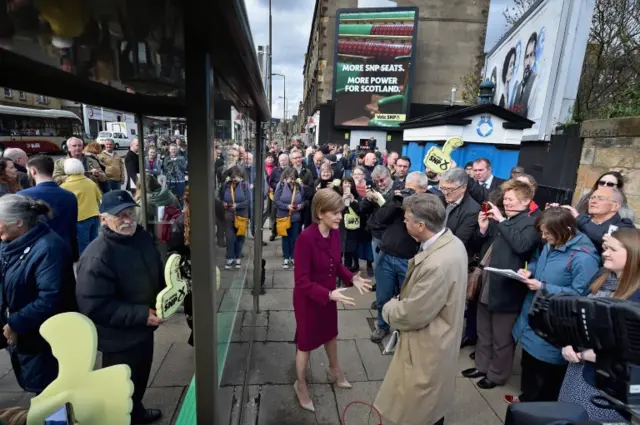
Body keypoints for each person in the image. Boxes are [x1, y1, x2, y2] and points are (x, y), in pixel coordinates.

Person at [374, 194, 468, 425]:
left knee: (419, 406)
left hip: (429, 343)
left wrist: (389, 307)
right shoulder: (452, 242)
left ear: (421, 225)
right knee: (432, 403)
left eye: (407, 219)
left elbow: (411, 314)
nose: (404, 222)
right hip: (441, 337)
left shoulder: (438, 263)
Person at [75, 190, 165, 424]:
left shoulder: (140, 237)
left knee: (140, 376)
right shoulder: (98, 256)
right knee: (121, 386)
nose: (127, 220)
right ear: (103, 219)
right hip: (120, 337)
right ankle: (123, 417)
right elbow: (93, 305)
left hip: (142, 327)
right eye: (119, 216)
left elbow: (155, 268)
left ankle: (136, 412)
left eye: (130, 213)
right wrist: (139, 314)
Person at [507, 208, 600, 404]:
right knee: (529, 366)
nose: (543, 237)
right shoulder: (553, 241)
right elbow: (536, 261)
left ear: (565, 229)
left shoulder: (584, 258)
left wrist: (543, 287)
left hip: (554, 325)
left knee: (545, 375)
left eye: (547, 233)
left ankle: (535, 407)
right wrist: (530, 271)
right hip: (534, 316)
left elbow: (580, 295)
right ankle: (526, 399)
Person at [292, 189, 371, 412]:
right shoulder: (305, 239)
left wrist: (351, 278)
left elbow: (335, 265)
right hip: (309, 300)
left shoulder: (335, 233)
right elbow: (301, 281)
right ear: (320, 213)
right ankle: (301, 384)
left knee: (330, 335)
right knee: (305, 344)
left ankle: (334, 370)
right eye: (335, 213)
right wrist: (328, 294)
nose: (340, 217)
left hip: (329, 296)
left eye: (340, 212)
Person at [462, 180, 540, 389]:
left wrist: (501, 221)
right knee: (483, 331)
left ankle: (497, 375)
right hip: (488, 283)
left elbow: (522, 247)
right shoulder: (501, 220)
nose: (507, 203)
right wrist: (483, 228)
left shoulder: (530, 223)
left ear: (526, 202)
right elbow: (481, 246)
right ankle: (481, 366)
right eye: (505, 199)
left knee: (502, 338)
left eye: (511, 200)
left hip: (507, 289)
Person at [558, 228, 640, 421]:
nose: (605, 253)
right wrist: (569, 341)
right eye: (605, 248)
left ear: (633, 253)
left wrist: (583, 354)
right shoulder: (604, 278)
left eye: (612, 249)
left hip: (606, 387)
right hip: (579, 371)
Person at [0, 195, 76, 394]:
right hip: (24, 336)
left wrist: (15, 323)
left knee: (51, 395)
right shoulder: (8, 245)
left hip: (44, 339)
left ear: (18, 222)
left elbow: (51, 298)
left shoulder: (49, 248)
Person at [19, 155, 79, 260]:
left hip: (35, 252)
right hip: (64, 249)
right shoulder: (70, 196)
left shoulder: (22, 196)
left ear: (33, 171)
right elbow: (72, 227)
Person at [60, 158, 102, 255]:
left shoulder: (64, 186)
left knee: (84, 246)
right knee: (95, 242)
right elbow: (100, 198)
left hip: (79, 219)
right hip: (94, 216)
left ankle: (86, 265)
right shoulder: (91, 183)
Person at [219, 166, 250, 270]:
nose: (234, 180)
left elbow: (248, 201)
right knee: (229, 238)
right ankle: (230, 258)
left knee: (239, 238)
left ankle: (238, 258)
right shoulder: (226, 185)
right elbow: (221, 196)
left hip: (241, 215)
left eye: (236, 177)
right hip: (229, 215)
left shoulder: (245, 185)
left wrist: (238, 205)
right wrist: (223, 203)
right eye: (232, 177)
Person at [274, 167, 306, 269]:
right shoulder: (281, 185)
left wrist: (301, 206)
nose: (292, 181)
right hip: (284, 216)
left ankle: (294, 257)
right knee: (285, 238)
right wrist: (286, 206)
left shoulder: (300, 187)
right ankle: (286, 257)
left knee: (295, 238)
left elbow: (304, 200)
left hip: (296, 217)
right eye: (290, 178)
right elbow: (276, 201)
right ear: (285, 177)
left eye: (294, 178)